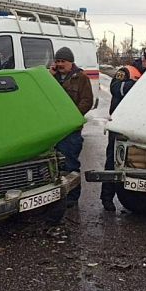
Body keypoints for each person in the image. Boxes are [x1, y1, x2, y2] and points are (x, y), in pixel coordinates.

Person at [101, 46, 146, 212]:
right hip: (121, 125)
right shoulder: (127, 72)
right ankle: (107, 197)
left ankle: (139, 198)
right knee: (113, 160)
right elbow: (116, 88)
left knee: (140, 161)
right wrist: (138, 84)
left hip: (142, 126)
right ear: (144, 60)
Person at [49, 47, 93, 207]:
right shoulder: (51, 78)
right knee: (55, 165)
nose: (60, 64)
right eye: (57, 61)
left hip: (72, 130)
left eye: (63, 61)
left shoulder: (80, 78)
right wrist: (49, 76)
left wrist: (72, 118)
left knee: (70, 164)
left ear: (71, 62)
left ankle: (72, 198)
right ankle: (56, 196)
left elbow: (87, 100)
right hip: (55, 130)